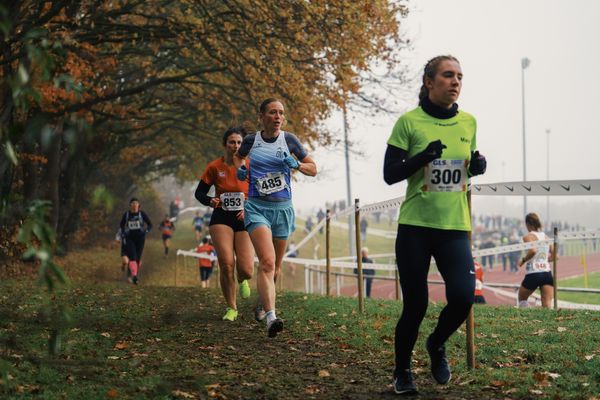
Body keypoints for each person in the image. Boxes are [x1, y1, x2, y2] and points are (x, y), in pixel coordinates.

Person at [383, 55, 487, 394]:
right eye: (447, 75)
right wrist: (423, 157)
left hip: (454, 227)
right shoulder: (409, 122)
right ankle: (401, 371)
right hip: (415, 227)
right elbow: (390, 174)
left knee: (462, 296)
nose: (455, 81)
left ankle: (436, 343)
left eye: (459, 76)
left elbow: (463, 168)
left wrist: (477, 167)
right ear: (429, 82)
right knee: (416, 305)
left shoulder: (469, 122)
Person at [235, 98, 317, 337]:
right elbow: (238, 157)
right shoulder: (252, 140)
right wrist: (241, 168)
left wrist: (298, 164)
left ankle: (263, 303)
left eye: (281, 113)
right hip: (257, 208)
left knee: (276, 267)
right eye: (272, 112)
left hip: (283, 209)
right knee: (267, 262)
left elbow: (313, 168)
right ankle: (271, 317)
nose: (278, 116)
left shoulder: (289, 140)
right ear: (262, 115)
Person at [195, 126, 255, 321]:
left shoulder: (250, 166)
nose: (235, 146)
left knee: (246, 268)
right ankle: (231, 307)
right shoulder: (214, 167)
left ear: (244, 145)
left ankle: (242, 279)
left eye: (239, 142)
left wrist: (248, 209)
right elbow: (199, 193)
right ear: (225, 144)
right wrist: (210, 200)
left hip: (244, 217)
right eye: (232, 142)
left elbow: (260, 193)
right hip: (221, 217)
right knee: (226, 264)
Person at [517, 213, 555, 308]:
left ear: (528, 224)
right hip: (547, 273)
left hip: (534, 273)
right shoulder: (546, 237)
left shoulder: (528, 237)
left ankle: (526, 320)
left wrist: (523, 260)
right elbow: (555, 256)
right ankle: (547, 322)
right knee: (547, 304)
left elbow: (533, 250)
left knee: (522, 298)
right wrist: (544, 260)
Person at [119, 198, 152, 285]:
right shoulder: (126, 214)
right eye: (132, 203)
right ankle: (134, 276)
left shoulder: (142, 214)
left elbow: (150, 224)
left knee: (137, 259)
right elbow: (121, 225)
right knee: (132, 256)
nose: (134, 205)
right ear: (130, 205)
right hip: (130, 238)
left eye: (136, 203)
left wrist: (146, 231)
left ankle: (131, 275)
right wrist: (123, 233)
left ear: (139, 205)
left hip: (140, 239)